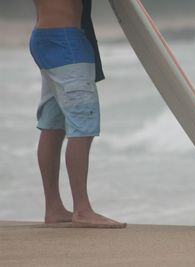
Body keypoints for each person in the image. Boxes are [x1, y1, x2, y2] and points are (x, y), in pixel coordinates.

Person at [29, 0, 126, 228]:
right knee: (83, 125)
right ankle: (82, 209)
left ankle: (53, 208)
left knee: (53, 125)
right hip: (66, 43)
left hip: (45, 37)